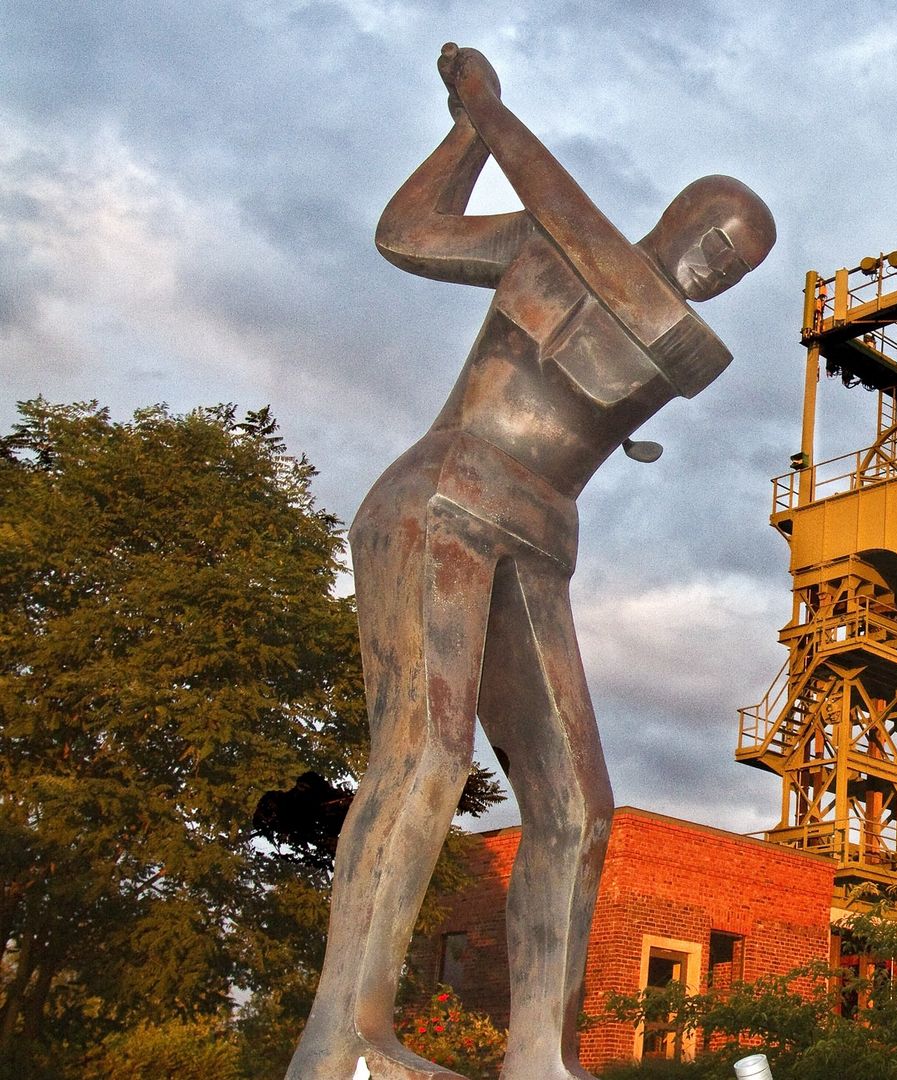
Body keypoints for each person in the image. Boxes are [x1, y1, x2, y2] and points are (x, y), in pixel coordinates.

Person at [287, 44, 775, 1080]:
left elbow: (635, 302)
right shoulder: (545, 247)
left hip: (540, 542)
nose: (717, 275)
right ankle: (344, 1038)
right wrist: (469, 130)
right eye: (715, 246)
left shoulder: (681, 340)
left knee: (576, 807)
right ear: (682, 218)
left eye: (737, 272)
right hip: (442, 500)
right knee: (425, 752)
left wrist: (498, 118)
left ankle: (538, 1059)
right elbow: (403, 233)